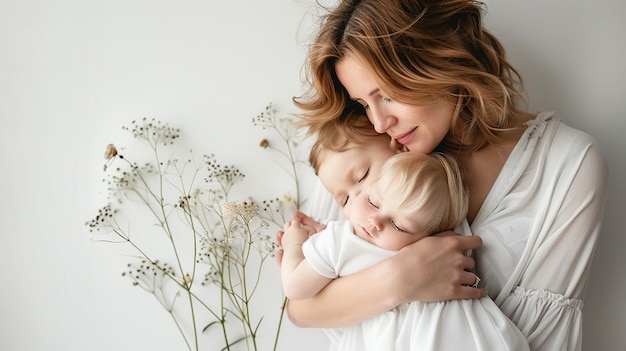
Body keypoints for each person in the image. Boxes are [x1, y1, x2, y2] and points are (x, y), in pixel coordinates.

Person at [281, 0, 609, 350]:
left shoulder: (569, 165)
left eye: (388, 95)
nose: (379, 121)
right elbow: (301, 307)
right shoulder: (370, 146)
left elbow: (545, 339)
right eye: (363, 103)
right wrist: (400, 279)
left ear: (442, 58)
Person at [280, 115, 529, 350]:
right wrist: (315, 247)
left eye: (363, 176)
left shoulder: (438, 200)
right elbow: (299, 306)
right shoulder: (345, 235)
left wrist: (304, 250)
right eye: (344, 200)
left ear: (399, 146)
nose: (358, 203)